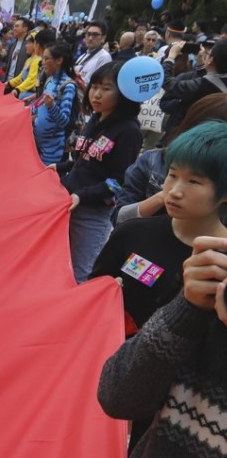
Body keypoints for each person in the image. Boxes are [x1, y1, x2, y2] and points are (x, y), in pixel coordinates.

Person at [97, 123, 227, 458]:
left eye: (194, 182)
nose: (174, 190)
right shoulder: (136, 234)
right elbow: (91, 299)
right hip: (129, 382)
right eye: (172, 174)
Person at [57, 61, 143, 282]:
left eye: (106, 89)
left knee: (81, 272)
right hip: (68, 202)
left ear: (123, 92)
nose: (96, 94)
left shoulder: (129, 131)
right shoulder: (95, 118)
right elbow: (82, 159)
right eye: (94, 87)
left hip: (92, 213)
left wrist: (82, 195)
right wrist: (57, 168)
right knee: (59, 264)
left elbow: (118, 182)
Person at [115, 95, 227, 224]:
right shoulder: (153, 161)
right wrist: (163, 196)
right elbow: (119, 219)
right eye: (173, 175)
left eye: (194, 181)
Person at [31, 41, 78, 166]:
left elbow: (64, 121)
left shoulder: (68, 86)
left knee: (44, 179)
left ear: (59, 61)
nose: (43, 62)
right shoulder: (49, 79)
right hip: (35, 140)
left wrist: (52, 106)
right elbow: (40, 105)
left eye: (46, 59)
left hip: (52, 148)